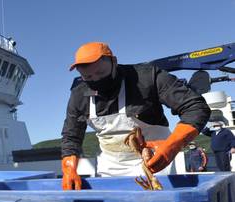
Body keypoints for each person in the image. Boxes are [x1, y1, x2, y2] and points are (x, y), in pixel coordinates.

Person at [61, 42, 211, 190]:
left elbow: (196, 107)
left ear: (114, 62)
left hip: (157, 158)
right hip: (111, 166)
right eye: (88, 77)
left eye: (101, 73)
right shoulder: (79, 95)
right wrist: (69, 168)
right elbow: (71, 135)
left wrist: (172, 145)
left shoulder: (147, 77)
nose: (96, 79)